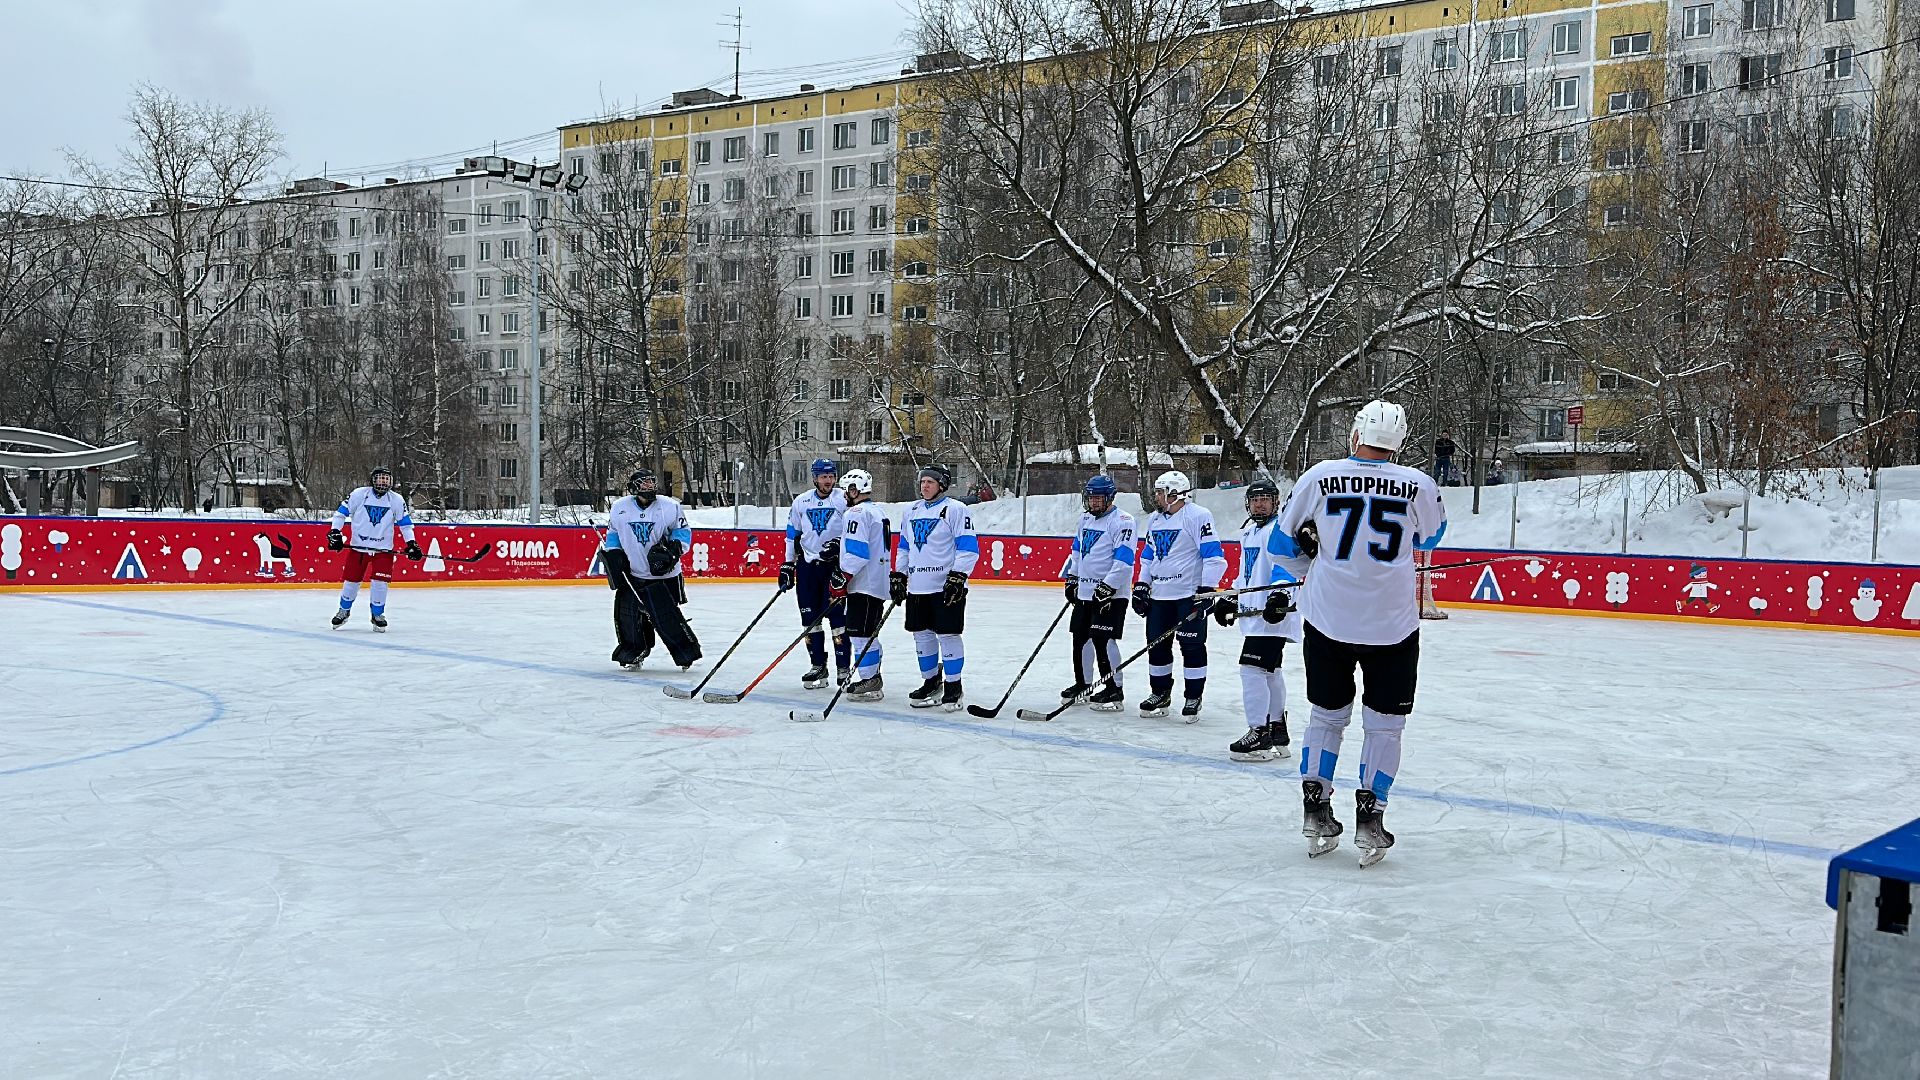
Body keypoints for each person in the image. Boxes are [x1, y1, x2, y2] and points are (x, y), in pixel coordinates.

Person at [1277, 400, 1448, 866]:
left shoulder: (1319, 476)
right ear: (1401, 441)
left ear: (1356, 434)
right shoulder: (1419, 485)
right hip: (1391, 627)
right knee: (1385, 725)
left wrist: (1309, 560)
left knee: (1326, 717)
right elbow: (1431, 538)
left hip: (1327, 621)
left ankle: (1316, 809)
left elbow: (1279, 545)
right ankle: (1370, 820)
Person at [1217, 477, 1306, 761]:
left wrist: (1279, 596)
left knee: (1250, 669)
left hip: (1274, 613)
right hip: (1255, 614)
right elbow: (1247, 573)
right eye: (1255, 500)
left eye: (1265, 499)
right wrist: (1232, 596)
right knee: (1270, 671)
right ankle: (1277, 728)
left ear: (1275, 503)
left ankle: (1259, 731)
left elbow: (1285, 566)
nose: (1259, 504)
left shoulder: (1279, 530)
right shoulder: (1250, 533)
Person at [1131, 470, 1229, 719]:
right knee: (1157, 646)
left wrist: (1207, 590)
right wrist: (1142, 585)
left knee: (1192, 646)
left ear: (1175, 494)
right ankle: (1160, 693)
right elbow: (1147, 557)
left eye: (1160, 492)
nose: (1157, 496)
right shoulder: (1155, 519)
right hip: (1160, 597)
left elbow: (1214, 556)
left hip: (1187, 596)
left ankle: (1193, 696)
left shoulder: (1197, 516)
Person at [891, 463, 978, 711]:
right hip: (918, 587)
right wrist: (899, 574)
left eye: (930, 481)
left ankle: (953, 686)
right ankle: (931, 681)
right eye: (922, 481)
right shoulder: (912, 511)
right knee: (922, 635)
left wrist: (958, 576)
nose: (924, 485)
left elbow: (968, 548)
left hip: (945, 587)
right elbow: (904, 547)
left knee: (948, 634)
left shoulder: (955, 509)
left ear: (942, 485)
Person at [602, 468, 702, 670]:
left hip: (664, 575)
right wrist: (614, 555)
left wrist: (672, 551)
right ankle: (633, 652)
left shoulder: (670, 506)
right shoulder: (619, 508)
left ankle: (686, 654)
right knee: (628, 616)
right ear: (633, 487)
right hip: (633, 574)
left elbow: (683, 532)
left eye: (651, 482)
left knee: (665, 617)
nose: (649, 486)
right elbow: (613, 534)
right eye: (644, 483)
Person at [1058, 472, 1136, 711]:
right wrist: (1073, 578)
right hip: (1086, 592)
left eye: (1098, 498)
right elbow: (1078, 552)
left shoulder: (1123, 520)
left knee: (1104, 640)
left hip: (1111, 595)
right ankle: (1083, 684)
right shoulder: (1085, 520)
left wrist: (1108, 586)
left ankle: (1114, 689)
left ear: (1110, 497)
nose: (1093, 502)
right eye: (1090, 498)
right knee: (1080, 639)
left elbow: (1124, 559)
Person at [780, 458, 850, 688]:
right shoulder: (801, 502)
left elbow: (855, 529)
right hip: (808, 567)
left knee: (838, 619)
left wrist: (840, 544)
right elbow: (792, 535)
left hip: (834, 567)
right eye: (823, 476)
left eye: (831, 476)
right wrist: (788, 565)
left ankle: (843, 667)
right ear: (815, 478)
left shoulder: (843, 499)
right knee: (810, 619)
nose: (828, 480)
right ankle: (818, 665)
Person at [327, 466, 422, 631]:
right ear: (373, 480)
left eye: (386, 479)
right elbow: (340, 514)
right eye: (380, 478)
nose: (383, 482)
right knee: (351, 582)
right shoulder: (359, 494)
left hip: (383, 551)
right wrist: (335, 532)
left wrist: (412, 544)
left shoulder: (397, 500)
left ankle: (377, 614)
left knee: (380, 583)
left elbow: (405, 525)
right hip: (358, 548)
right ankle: (344, 610)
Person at [832, 469, 892, 700]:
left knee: (860, 634)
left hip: (863, 583)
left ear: (854, 490)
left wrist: (842, 576)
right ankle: (872, 676)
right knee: (868, 633)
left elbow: (857, 552)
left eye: (846, 489)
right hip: (875, 581)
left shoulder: (856, 512)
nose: (844, 494)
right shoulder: (876, 510)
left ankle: (870, 681)